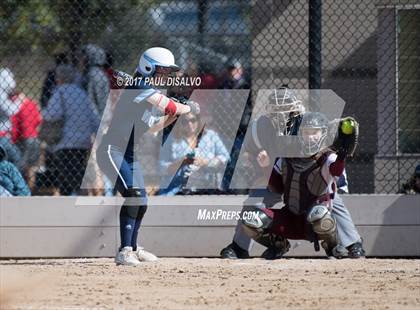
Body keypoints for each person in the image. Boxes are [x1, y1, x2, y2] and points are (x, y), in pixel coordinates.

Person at [221, 88, 365, 259]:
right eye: (277, 111)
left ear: (297, 108)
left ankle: (352, 243)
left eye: (287, 109)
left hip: (311, 174)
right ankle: (241, 247)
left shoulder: (306, 122)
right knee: (255, 198)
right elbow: (248, 153)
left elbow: (326, 150)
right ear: (269, 111)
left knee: (331, 196)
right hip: (279, 173)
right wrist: (260, 165)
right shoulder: (260, 127)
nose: (282, 115)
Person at [96, 47, 200, 266]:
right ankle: (124, 251)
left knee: (141, 201)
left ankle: (133, 247)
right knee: (133, 195)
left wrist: (176, 114)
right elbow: (168, 104)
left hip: (129, 155)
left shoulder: (146, 92)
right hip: (112, 151)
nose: (164, 75)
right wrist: (184, 107)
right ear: (147, 67)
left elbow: (154, 126)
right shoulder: (141, 87)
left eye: (166, 72)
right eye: (161, 70)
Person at [42, 64, 100, 195]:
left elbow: (52, 114)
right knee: (78, 169)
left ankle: (71, 196)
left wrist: (43, 112)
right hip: (83, 141)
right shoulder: (82, 93)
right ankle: (81, 194)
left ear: (59, 78)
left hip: (65, 140)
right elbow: (94, 117)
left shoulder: (60, 92)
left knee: (66, 173)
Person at [159, 113, 230, 195]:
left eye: (193, 120)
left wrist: (205, 162)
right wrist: (182, 162)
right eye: (184, 121)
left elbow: (226, 157)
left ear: (198, 120)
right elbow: (162, 168)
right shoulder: (171, 139)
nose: (189, 124)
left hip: (207, 184)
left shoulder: (210, 135)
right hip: (178, 187)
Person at [79, 44, 110, 116]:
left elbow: (93, 100)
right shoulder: (99, 74)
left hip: (96, 118)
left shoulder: (93, 75)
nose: (81, 60)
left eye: (84, 56)